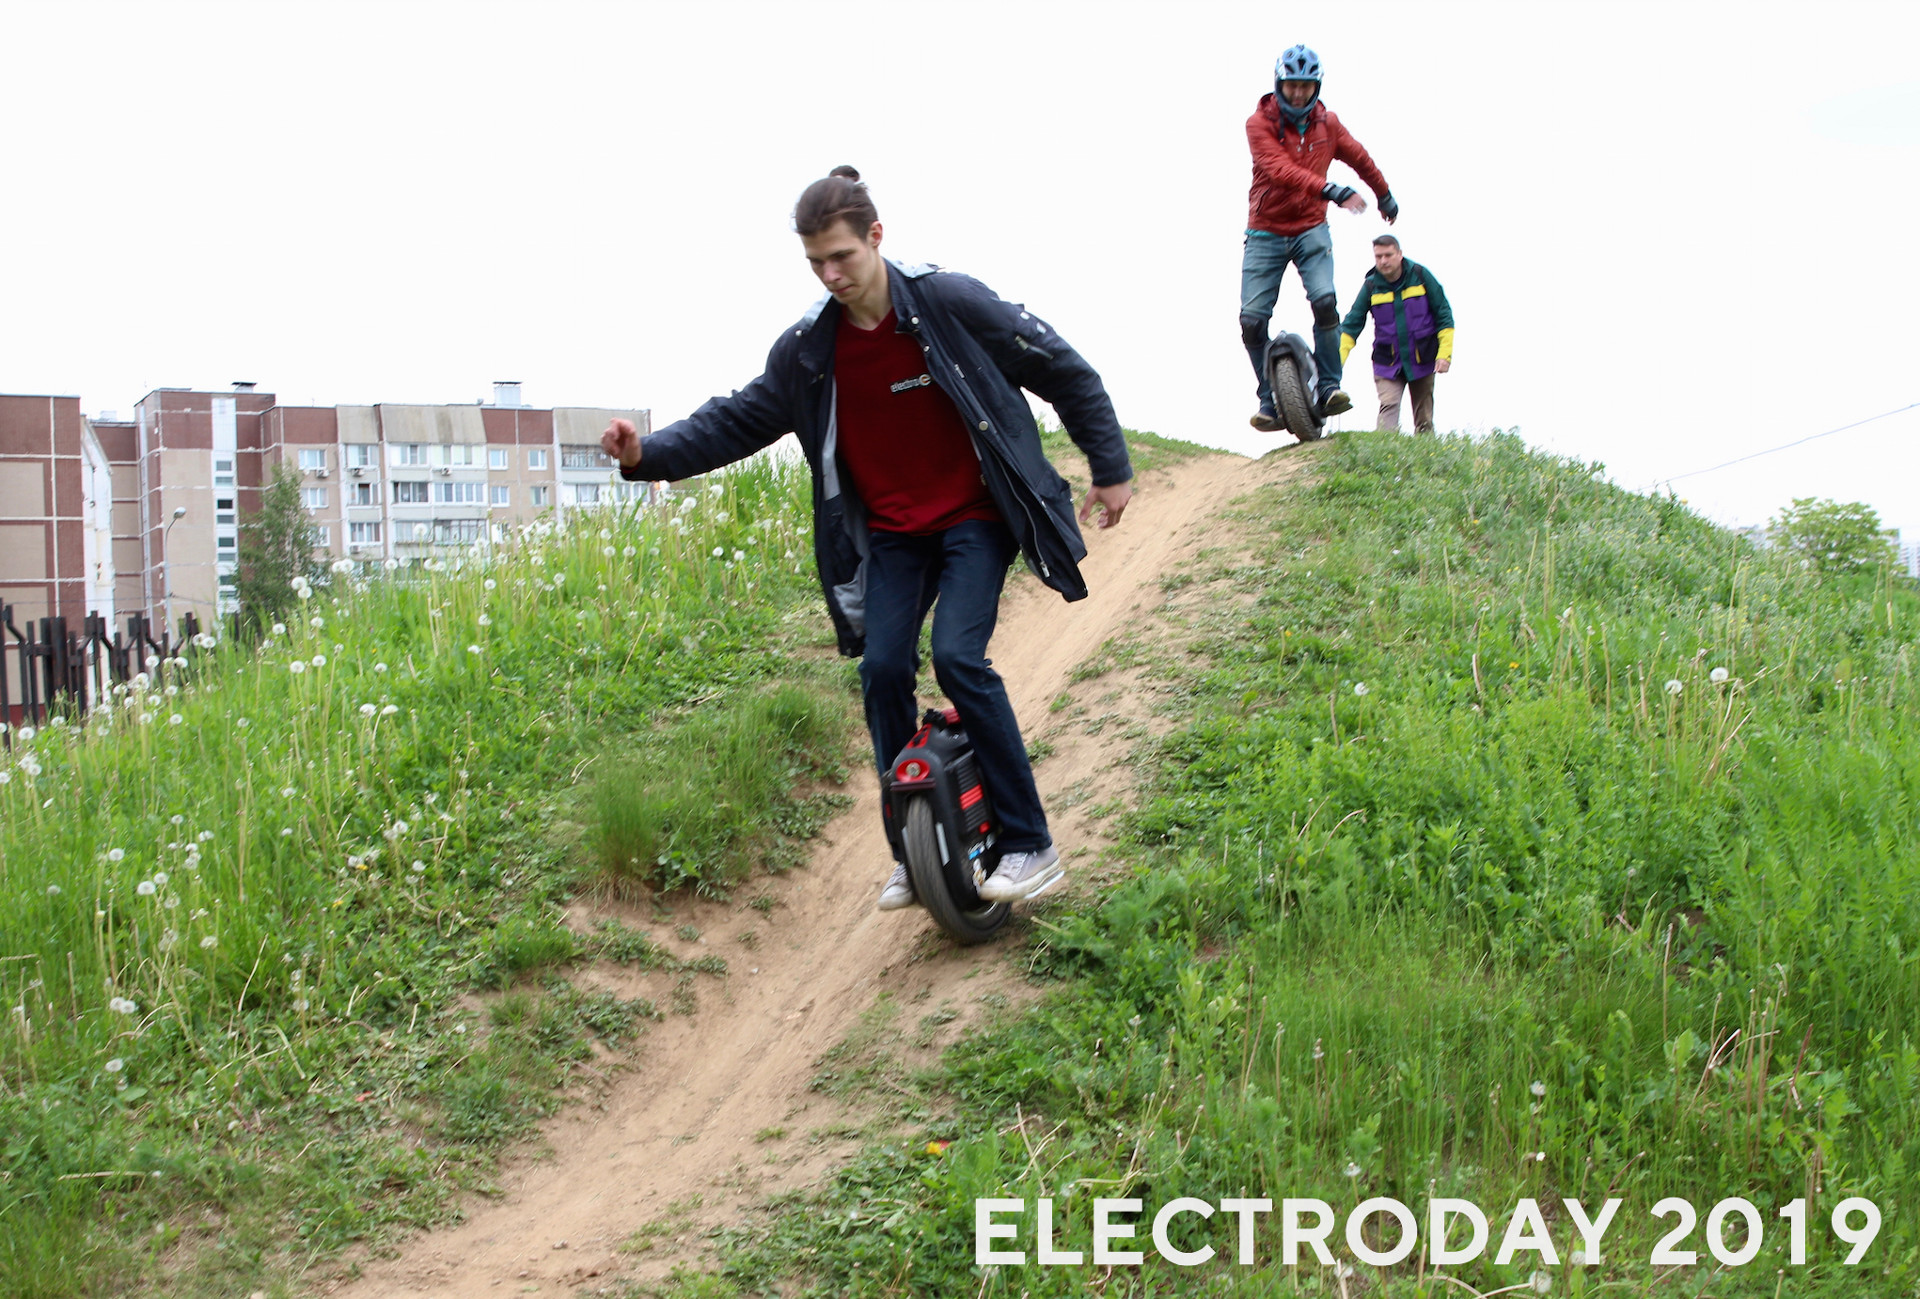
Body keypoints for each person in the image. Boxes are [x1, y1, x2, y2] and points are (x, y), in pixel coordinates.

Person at [600, 167, 1133, 912]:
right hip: (893, 536)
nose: (830, 275)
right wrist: (644, 456)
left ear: (876, 237)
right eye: (815, 262)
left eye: (842, 256)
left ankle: (1031, 843)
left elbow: (1060, 366)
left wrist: (1110, 468)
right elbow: (736, 420)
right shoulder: (809, 350)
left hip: (975, 517)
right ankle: (912, 853)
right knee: (881, 671)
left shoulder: (949, 303)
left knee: (957, 658)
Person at [1241, 44, 1397, 432]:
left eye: (1306, 87)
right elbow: (1278, 169)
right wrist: (1330, 190)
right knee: (1251, 321)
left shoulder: (1328, 124)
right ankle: (1268, 399)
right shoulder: (1258, 124)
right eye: (1292, 86)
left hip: (1310, 228)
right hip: (1265, 231)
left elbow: (1359, 157)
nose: (1298, 94)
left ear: (1317, 87)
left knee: (1325, 302)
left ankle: (1329, 387)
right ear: (1279, 85)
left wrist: (1383, 193)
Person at [1339, 234, 1455, 434]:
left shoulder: (1421, 276)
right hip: (1387, 362)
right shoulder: (1371, 286)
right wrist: (1335, 364)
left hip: (1422, 358)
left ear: (1399, 254)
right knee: (1389, 405)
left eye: (1388, 255)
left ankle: (1425, 451)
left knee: (1424, 418)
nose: (1383, 261)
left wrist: (1444, 355)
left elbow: (1444, 315)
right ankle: (1385, 448)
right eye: (1378, 256)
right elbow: (1351, 326)